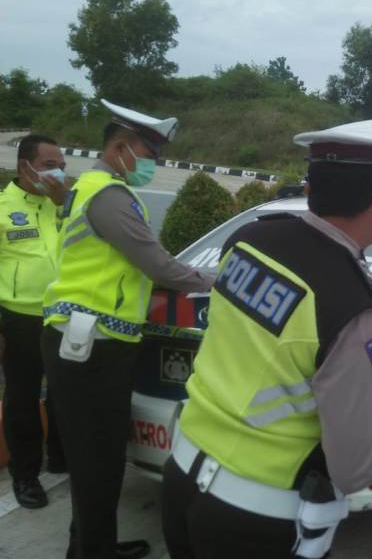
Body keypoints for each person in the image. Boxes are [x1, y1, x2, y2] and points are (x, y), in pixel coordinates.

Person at [160, 119, 372, 559]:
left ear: (311, 188)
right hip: (254, 524)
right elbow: (356, 466)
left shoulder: (248, 240)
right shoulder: (353, 309)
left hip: (181, 481)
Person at [40, 100, 215, 559]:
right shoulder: (109, 196)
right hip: (91, 346)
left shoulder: (90, 186)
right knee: (97, 463)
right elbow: (159, 265)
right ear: (121, 148)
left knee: (91, 460)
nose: (152, 164)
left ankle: (89, 547)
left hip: (85, 340)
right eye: (148, 153)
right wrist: (218, 280)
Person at [0, 134, 69, 509]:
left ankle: (60, 457)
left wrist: (65, 205)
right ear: (24, 166)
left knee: (64, 391)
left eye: (61, 164)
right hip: (19, 318)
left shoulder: (63, 204)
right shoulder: (2, 206)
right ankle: (25, 475)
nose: (58, 171)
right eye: (49, 164)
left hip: (63, 315)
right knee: (23, 399)